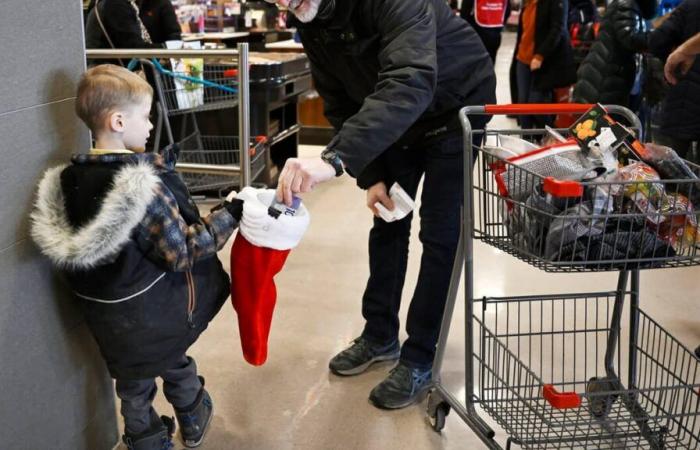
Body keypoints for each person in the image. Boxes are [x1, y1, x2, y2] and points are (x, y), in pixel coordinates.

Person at [265, 0, 497, 409]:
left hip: (454, 105)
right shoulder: (308, 15)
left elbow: (410, 78)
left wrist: (335, 159)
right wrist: (371, 175)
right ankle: (379, 335)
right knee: (389, 219)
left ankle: (421, 356)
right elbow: (338, 99)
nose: (284, 2)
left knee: (441, 233)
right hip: (399, 117)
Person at [30, 65, 243, 450]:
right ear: (117, 120)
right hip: (155, 309)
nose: (149, 127)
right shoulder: (140, 185)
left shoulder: (67, 181)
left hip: (110, 317)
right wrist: (230, 214)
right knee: (170, 352)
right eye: (145, 116)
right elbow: (183, 252)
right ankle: (193, 413)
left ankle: (144, 440)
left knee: (133, 381)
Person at [573, 0, 657, 107]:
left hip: (608, 77)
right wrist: (660, 36)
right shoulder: (626, 4)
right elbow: (630, 38)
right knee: (600, 121)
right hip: (603, 80)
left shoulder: (633, 7)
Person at [649, 0, 700, 162]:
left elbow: (657, 40)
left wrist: (674, 57)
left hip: (681, 95)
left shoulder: (689, 6)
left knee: (670, 169)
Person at [514, 0, 577, 129]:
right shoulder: (527, 2)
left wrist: (540, 55)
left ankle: (550, 135)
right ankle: (526, 140)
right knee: (522, 104)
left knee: (536, 102)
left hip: (546, 61)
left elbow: (557, 29)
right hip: (523, 58)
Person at [85, 0, 182, 49]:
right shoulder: (116, 5)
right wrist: (166, 48)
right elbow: (133, 45)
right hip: (112, 74)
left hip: (107, 71)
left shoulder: (108, 3)